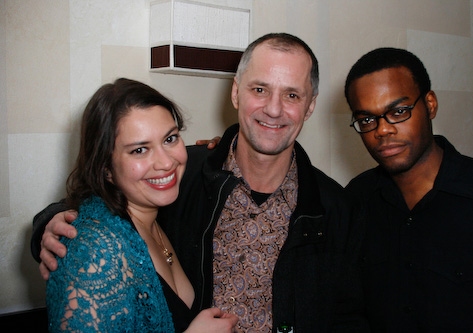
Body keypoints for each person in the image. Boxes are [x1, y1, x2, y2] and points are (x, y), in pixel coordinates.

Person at [32, 33, 368, 332]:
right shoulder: (184, 176)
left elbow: (350, 314)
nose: (274, 109)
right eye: (260, 89)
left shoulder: (335, 207)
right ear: (237, 93)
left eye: (292, 95)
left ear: (310, 106)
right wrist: (52, 225)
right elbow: (111, 200)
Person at [44, 78, 238, 332]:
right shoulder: (97, 251)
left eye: (170, 139)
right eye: (139, 150)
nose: (165, 163)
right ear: (106, 169)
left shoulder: (158, 215)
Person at [344, 47, 473, 332]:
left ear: (430, 105)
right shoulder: (355, 200)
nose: (383, 130)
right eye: (367, 119)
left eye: (398, 111)